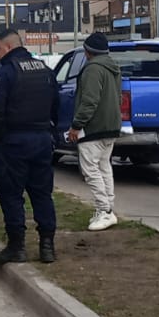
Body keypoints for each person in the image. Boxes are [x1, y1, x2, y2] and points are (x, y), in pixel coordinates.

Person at [0, 28, 60, 264]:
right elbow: (56, 107)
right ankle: (47, 246)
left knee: (11, 194)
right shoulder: (46, 71)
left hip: (14, 142)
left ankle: (17, 247)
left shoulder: (5, 74)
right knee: (42, 193)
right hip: (41, 139)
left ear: (8, 47)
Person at [67, 34, 123, 231]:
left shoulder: (92, 69)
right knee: (104, 167)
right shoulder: (113, 67)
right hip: (112, 125)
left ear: (88, 51)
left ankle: (104, 210)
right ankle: (108, 208)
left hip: (94, 127)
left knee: (90, 169)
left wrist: (76, 125)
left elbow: (89, 101)